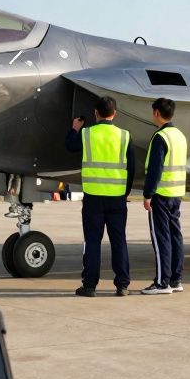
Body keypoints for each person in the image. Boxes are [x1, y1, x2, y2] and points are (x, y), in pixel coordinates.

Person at [66, 96, 137, 297]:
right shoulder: (124, 136)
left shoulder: (87, 134)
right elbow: (132, 168)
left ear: (96, 113)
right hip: (117, 198)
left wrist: (74, 128)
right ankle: (122, 285)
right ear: (114, 113)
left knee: (92, 241)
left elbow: (70, 146)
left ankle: (89, 286)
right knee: (119, 241)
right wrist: (126, 192)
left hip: (93, 198)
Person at [140, 98, 187, 294]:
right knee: (175, 237)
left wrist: (147, 194)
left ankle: (161, 283)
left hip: (161, 195)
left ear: (157, 113)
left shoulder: (161, 137)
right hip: (176, 194)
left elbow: (155, 169)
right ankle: (176, 280)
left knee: (161, 239)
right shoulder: (179, 136)